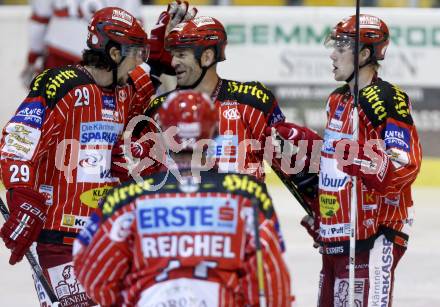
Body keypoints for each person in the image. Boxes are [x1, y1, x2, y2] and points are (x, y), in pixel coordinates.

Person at [73, 90, 293, 306]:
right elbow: (271, 282)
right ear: (214, 131)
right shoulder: (247, 196)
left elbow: (93, 271)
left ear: (165, 134)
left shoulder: (125, 199)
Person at [0, 7, 159, 307]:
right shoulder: (61, 86)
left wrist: (164, 40)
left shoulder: (124, 90)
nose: (141, 60)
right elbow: (19, 141)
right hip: (60, 240)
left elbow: (154, 77)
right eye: (136, 52)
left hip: (108, 237)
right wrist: (22, 198)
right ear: (114, 54)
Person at [300, 14, 422, 306]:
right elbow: (336, 169)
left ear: (365, 54)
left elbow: (402, 165)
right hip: (340, 233)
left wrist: (358, 157)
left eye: (341, 48)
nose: (332, 54)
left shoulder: (385, 98)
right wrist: (324, 214)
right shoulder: (337, 99)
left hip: (374, 234)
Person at [22, 0, 143, 88]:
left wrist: (32, 58)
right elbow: (135, 24)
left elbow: (39, 20)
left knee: (51, 114)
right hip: (102, 58)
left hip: (58, 53)